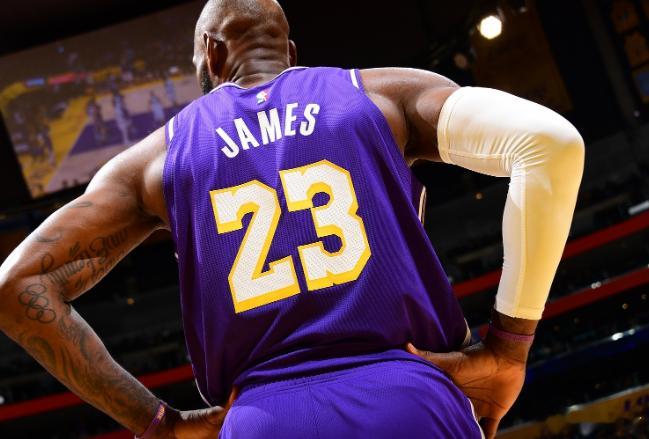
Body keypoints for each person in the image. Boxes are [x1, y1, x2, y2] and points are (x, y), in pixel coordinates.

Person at [0, 0, 585, 438]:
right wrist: (509, 346)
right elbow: (551, 144)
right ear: (292, 54)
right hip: (410, 394)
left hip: (263, 418)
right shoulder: (382, 96)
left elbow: (17, 285)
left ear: (210, 53)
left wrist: (158, 424)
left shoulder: (154, 161)